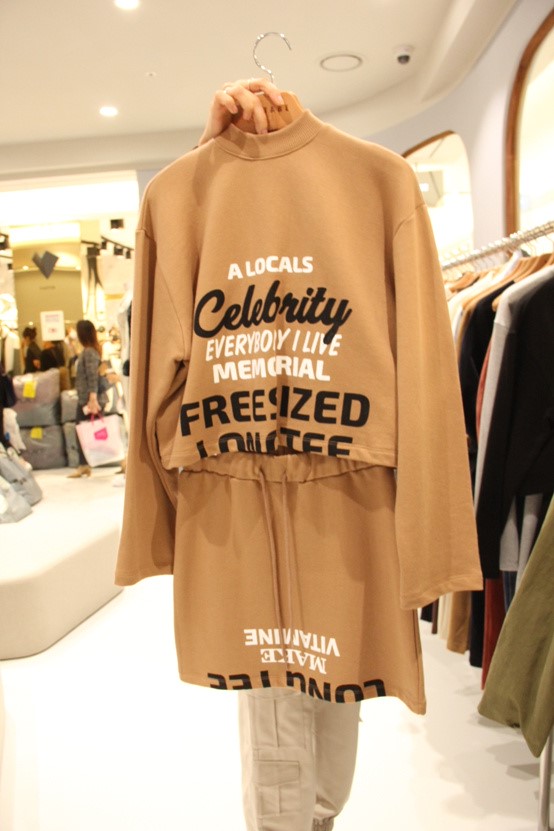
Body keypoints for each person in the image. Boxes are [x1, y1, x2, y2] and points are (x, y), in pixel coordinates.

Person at [68, 319, 108, 478]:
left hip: (89, 400)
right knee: (91, 431)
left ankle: (84, 465)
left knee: (85, 432)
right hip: (88, 399)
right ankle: (84, 465)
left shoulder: (89, 352)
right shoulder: (90, 350)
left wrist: (92, 398)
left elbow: (92, 376)